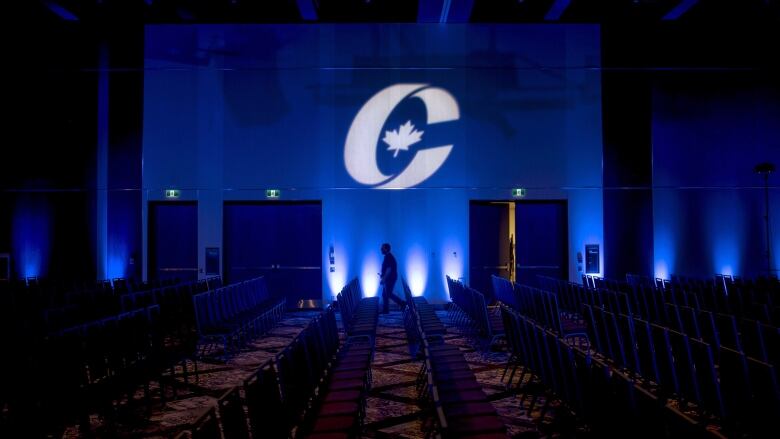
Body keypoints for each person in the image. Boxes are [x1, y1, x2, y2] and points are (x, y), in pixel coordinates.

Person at [379, 243, 406, 314]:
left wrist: (383, 278)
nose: (381, 250)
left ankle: (402, 304)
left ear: (386, 249)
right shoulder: (388, 256)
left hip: (390, 278)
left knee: (387, 294)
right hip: (390, 278)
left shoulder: (388, 257)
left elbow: (389, 269)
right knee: (386, 294)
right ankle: (387, 309)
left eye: (382, 248)